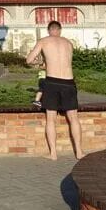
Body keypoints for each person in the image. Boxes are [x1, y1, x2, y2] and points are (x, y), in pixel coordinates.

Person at [25, 21, 84, 160]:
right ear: (60, 30)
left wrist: (39, 63)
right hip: (69, 82)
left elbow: (28, 60)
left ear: (49, 30)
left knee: (51, 119)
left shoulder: (44, 41)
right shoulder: (68, 43)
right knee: (74, 119)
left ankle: (53, 153)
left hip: (52, 82)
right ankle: (80, 152)